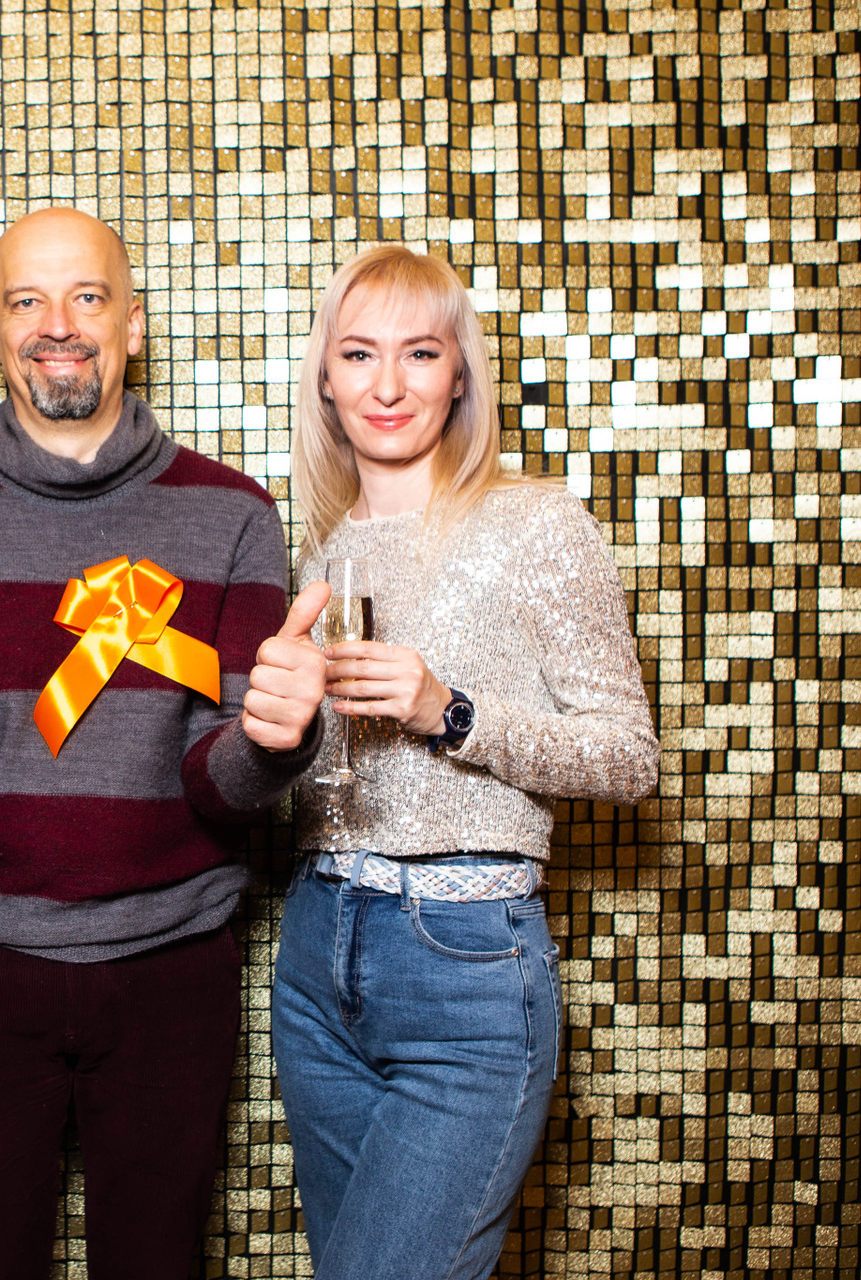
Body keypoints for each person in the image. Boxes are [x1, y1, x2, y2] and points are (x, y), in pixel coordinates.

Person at [0, 207, 330, 1279]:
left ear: (133, 324)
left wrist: (278, 741)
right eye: (27, 301)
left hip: (171, 964)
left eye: (87, 296)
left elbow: (219, 779)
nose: (59, 324)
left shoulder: (234, 515)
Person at [270, 245, 660, 1280]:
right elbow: (312, 778)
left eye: (420, 352)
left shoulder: (534, 522)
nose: (388, 384)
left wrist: (449, 711)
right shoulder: (318, 551)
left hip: (465, 961)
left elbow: (630, 757)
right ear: (326, 380)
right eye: (359, 354)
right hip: (316, 952)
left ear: (459, 376)